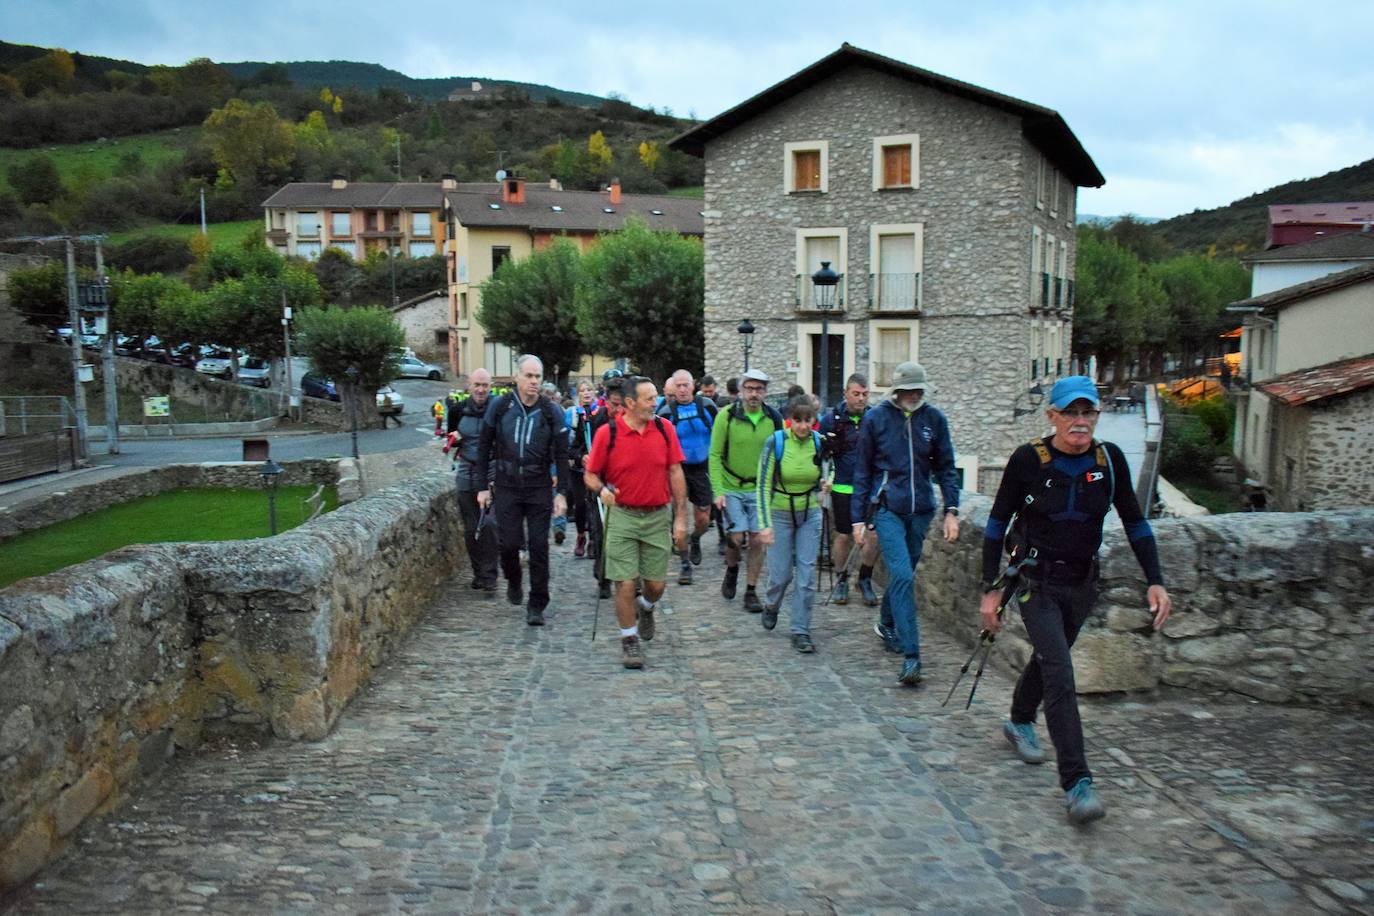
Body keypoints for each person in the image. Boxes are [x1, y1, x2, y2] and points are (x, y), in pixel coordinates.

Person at [979, 376, 1171, 826]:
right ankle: (1078, 783)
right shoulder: (1029, 459)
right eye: (1070, 413)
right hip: (1034, 582)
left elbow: (1137, 523)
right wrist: (990, 591)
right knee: (1061, 673)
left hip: (1082, 582)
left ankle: (1019, 719)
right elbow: (994, 525)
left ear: (1097, 415)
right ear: (1052, 417)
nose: (1080, 422)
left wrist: (1156, 580)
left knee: (1052, 660)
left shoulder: (1110, 460)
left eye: (1088, 412)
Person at [851, 362, 960, 686]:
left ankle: (885, 623)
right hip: (888, 507)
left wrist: (951, 510)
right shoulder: (876, 419)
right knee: (900, 574)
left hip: (922, 509)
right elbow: (862, 471)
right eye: (908, 390)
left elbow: (946, 466)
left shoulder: (934, 420)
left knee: (905, 574)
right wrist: (858, 518)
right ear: (896, 392)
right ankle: (912, 657)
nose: (914, 395)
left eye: (918, 390)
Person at [584, 376, 689, 669]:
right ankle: (629, 640)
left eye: (656, 397)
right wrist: (602, 490)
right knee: (626, 583)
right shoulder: (609, 434)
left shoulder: (665, 430)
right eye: (649, 398)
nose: (655, 403)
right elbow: (590, 474)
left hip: (657, 516)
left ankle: (647, 608)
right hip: (623, 516)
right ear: (630, 403)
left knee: (655, 585)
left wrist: (681, 517)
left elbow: (676, 473)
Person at [475, 355, 569, 627]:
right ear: (517, 377)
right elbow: (484, 447)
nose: (533, 381)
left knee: (539, 547)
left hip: (538, 485)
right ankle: (513, 579)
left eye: (537, 377)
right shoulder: (501, 406)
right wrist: (482, 486)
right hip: (506, 485)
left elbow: (562, 456)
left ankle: (537, 603)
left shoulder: (552, 412)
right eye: (528, 376)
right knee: (509, 544)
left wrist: (562, 492)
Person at [756, 396, 828, 653]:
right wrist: (764, 524)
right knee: (781, 574)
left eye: (807, 420)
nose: (802, 426)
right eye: (797, 420)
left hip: (809, 512)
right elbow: (763, 484)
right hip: (780, 513)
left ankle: (801, 630)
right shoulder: (775, 442)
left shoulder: (820, 443)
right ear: (790, 420)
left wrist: (827, 483)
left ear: (813, 421)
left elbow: (828, 470)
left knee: (807, 576)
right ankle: (772, 604)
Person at [708, 368, 783, 613]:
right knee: (736, 536)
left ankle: (750, 590)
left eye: (758, 389)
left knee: (758, 540)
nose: (753, 394)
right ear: (741, 391)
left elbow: (781, 454)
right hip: (731, 486)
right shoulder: (727, 416)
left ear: (765, 392)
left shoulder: (773, 418)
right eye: (749, 389)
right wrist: (718, 490)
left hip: (760, 489)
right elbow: (715, 455)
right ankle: (732, 570)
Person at [819, 373, 880, 607]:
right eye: (856, 394)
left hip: (870, 488)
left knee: (873, 536)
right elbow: (821, 455)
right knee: (844, 535)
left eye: (865, 394)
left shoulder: (875, 418)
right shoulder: (831, 419)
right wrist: (823, 480)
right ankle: (842, 578)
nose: (861, 399)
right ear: (846, 393)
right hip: (842, 486)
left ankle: (864, 578)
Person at [657, 369, 718, 585]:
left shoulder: (708, 407)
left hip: (702, 468)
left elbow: (719, 437)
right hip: (677, 470)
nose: (682, 390)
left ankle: (696, 538)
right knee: (680, 516)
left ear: (694, 386)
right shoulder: (665, 413)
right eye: (678, 386)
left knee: (703, 518)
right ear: (672, 388)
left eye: (686, 385)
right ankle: (685, 564)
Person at [445, 369, 498, 591]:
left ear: (491, 386)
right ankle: (478, 572)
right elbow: (452, 437)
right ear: (469, 385)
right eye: (477, 384)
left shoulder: (498, 408)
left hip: (492, 471)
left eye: (485, 385)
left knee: (488, 524)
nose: (481, 389)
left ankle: (490, 575)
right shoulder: (458, 410)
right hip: (467, 470)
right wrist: (455, 439)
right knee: (469, 526)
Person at [564, 380, 596, 557]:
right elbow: (569, 445)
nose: (586, 393)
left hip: (596, 468)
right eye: (582, 390)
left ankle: (593, 538)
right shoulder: (572, 415)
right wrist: (578, 457)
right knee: (580, 505)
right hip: (578, 468)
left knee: (594, 503)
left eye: (589, 390)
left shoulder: (600, 413)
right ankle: (581, 535)